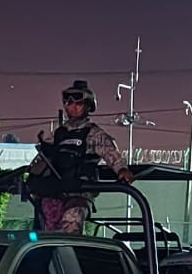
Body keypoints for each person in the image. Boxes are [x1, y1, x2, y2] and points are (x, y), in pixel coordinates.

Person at [28, 80, 134, 233]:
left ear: (87, 106)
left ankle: (71, 255)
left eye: (78, 103)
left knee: (71, 223)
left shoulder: (93, 133)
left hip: (79, 194)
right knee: (42, 236)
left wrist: (122, 170)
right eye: (68, 103)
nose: (72, 106)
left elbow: (111, 154)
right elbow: (41, 160)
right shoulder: (58, 134)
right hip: (53, 193)